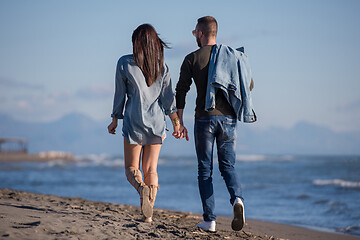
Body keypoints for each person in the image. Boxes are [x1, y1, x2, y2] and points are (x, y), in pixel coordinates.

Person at [175, 16, 256, 232]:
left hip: (204, 119)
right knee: (227, 166)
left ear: (200, 33)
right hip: (228, 119)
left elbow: (181, 90)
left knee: (205, 170)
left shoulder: (191, 58)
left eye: (195, 33)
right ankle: (237, 200)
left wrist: (179, 121)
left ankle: (209, 220)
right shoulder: (233, 57)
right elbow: (248, 83)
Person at [108, 24, 187, 223]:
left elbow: (120, 95)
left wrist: (114, 119)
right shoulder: (163, 67)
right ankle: (148, 215)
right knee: (151, 170)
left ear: (137, 43)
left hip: (134, 122)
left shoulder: (125, 63)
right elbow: (169, 101)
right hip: (156, 123)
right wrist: (176, 123)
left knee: (131, 169)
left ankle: (141, 188)